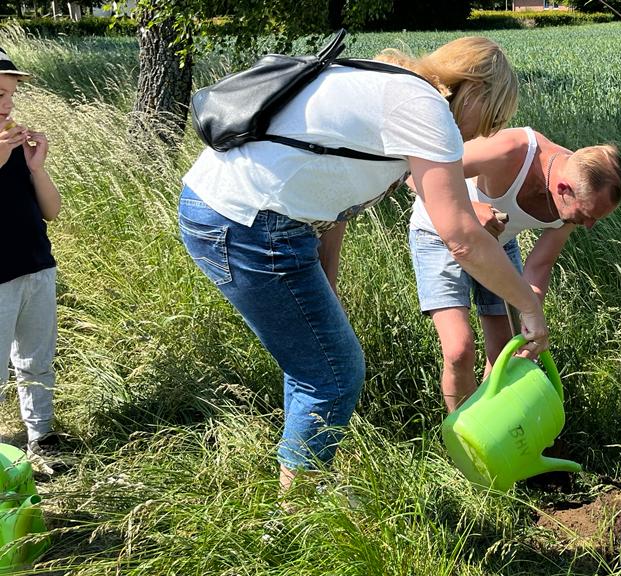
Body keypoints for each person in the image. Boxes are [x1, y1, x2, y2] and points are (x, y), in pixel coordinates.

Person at [179, 37, 549, 491]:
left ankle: (301, 482)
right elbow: (462, 237)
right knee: (334, 373)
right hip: (248, 222)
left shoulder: (392, 87)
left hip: (234, 211)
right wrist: (528, 306)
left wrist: (327, 288)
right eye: (488, 119)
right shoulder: (427, 109)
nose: (477, 136)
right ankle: (300, 504)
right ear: (473, 90)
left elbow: (335, 202)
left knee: (314, 365)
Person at [408, 127, 621, 412]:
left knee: (506, 351)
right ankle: (460, 435)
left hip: (498, 243)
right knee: (459, 350)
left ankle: (486, 424)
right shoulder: (512, 151)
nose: (588, 226)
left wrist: (530, 320)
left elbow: (540, 264)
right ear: (563, 190)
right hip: (439, 235)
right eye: (586, 216)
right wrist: (468, 209)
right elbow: (415, 173)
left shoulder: (579, 187)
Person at [0, 47, 68, 474]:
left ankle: (41, 436)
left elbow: (51, 211)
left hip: (36, 267)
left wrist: (37, 168)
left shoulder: (13, 146)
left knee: (36, 361)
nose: (7, 105)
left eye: (10, 95)